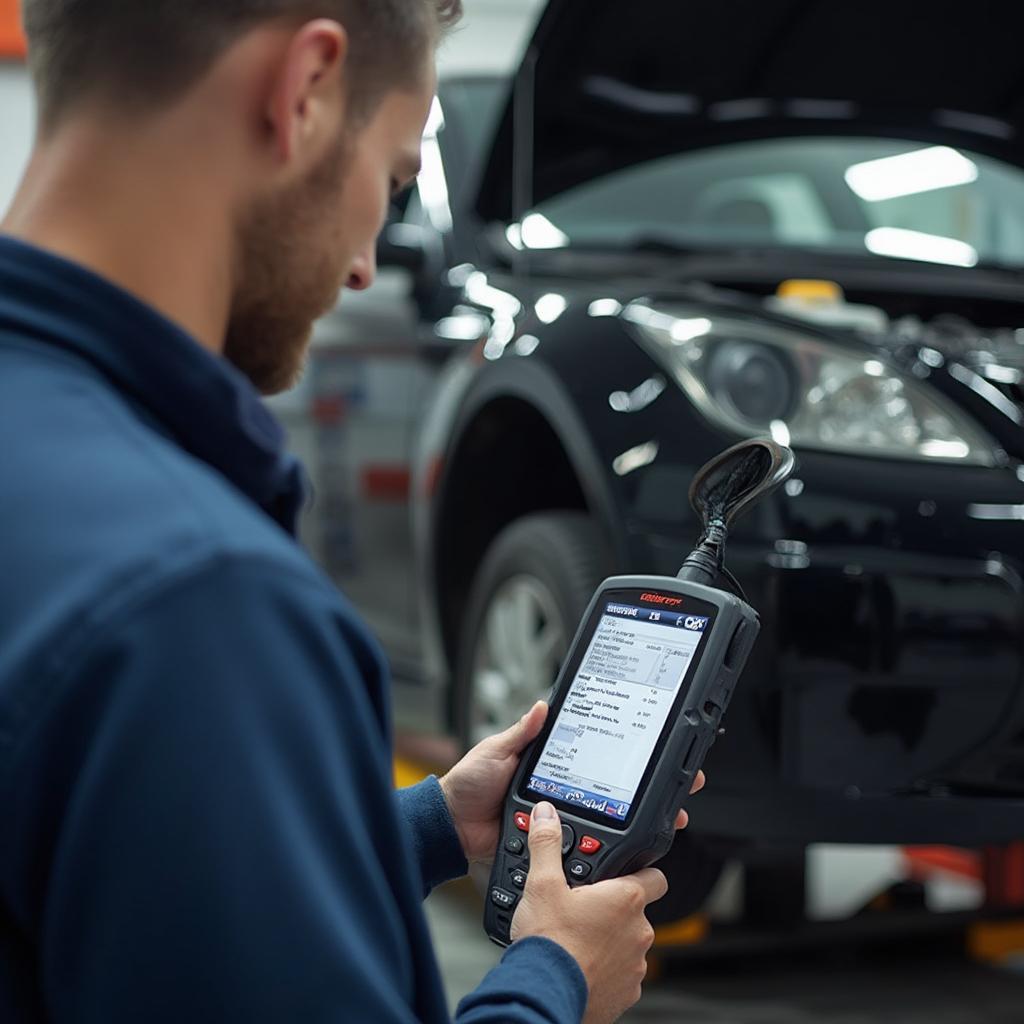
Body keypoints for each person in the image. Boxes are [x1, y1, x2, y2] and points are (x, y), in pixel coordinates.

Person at [0, 2, 703, 1021]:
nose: (368, 262)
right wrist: (554, 979)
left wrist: (420, 826)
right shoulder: (200, 602)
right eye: (395, 178)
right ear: (307, 92)